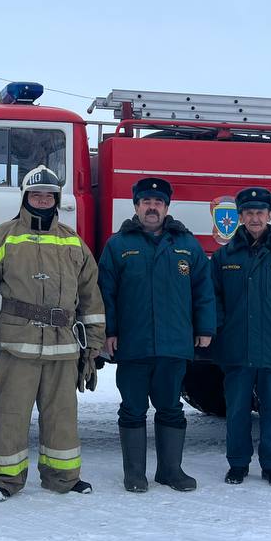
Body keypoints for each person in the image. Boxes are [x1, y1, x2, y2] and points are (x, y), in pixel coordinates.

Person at [0, 166, 106, 500]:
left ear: (56, 200)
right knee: (10, 412)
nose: (43, 200)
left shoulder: (71, 240)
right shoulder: (4, 237)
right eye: (36, 195)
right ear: (25, 197)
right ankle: (4, 479)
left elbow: (91, 295)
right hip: (17, 342)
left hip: (63, 346)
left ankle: (63, 477)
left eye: (49, 195)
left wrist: (93, 343)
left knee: (62, 414)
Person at [97, 176, 215, 492]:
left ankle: (170, 471)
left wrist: (205, 328)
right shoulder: (118, 245)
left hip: (174, 344)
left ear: (166, 207)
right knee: (133, 408)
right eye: (146, 202)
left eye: (158, 203)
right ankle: (135, 474)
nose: (152, 207)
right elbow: (105, 292)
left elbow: (203, 289)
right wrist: (109, 331)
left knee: (170, 407)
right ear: (136, 207)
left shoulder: (186, 245)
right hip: (133, 344)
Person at [209, 186, 271, 488]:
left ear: (269, 215)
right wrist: (222, 329)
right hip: (237, 347)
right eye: (249, 213)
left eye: (260, 213)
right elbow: (212, 296)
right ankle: (238, 464)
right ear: (240, 216)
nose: (255, 218)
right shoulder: (224, 256)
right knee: (238, 410)